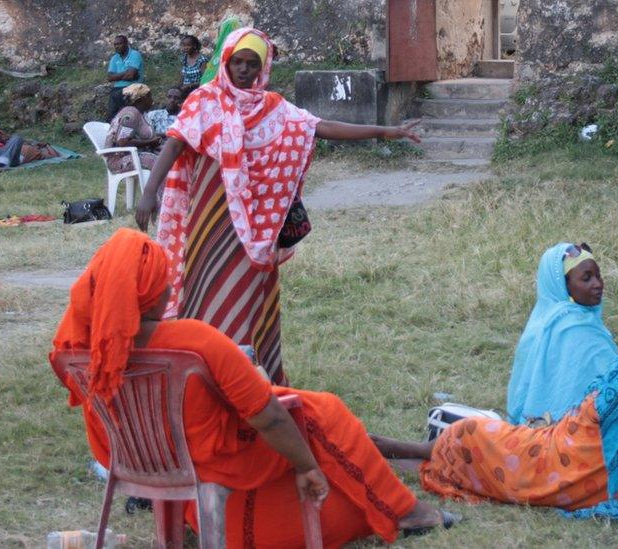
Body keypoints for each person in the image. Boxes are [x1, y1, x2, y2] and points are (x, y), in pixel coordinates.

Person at [49, 228, 457, 548]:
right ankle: (406, 511)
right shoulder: (193, 340)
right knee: (319, 413)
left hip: (135, 459)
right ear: (151, 293)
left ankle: (408, 476)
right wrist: (306, 467)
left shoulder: (75, 349)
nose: (171, 289)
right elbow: (268, 418)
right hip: (216, 458)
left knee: (300, 409)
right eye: (164, 282)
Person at [373, 274, 618, 548]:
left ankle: (400, 449)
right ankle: (405, 450)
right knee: (480, 434)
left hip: (572, 461)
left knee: (473, 434)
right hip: (578, 442)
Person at [134, 28, 420, 385]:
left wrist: (385, 131)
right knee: (204, 283)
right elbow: (175, 144)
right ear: (225, 61)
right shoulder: (204, 100)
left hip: (255, 226)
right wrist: (150, 191)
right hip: (211, 216)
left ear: (262, 67)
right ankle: (202, 372)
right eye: (236, 61)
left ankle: (246, 378)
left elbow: (321, 126)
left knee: (247, 292)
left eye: (251, 63)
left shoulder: (273, 108)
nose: (243, 70)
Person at [506, 242, 618, 425]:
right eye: (586, 278)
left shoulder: (540, 321)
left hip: (533, 435)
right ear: (563, 285)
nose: (597, 284)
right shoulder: (577, 329)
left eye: (598, 276)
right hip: (576, 435)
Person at [105, 83, 161, 174]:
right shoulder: (130, 115)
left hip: (135, 155)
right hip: (119, 160)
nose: (152, 100)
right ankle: (159, 188)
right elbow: (123, 142)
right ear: (142, 99)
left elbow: (140, 136)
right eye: (149, 96)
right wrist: (150, 142)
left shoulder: (141, 114)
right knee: (159, 162)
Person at [106, 35, 144, 120]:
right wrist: (126, 73)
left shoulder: (135, 54)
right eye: (115, 44)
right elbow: (109, 77)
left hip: (133, 86)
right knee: (111, 113)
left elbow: (130, 75)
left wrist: (117, 76)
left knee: (123, 106)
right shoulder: (114, 58)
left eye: (119, 44)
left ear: (126, 44)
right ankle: (111, 126)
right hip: (117, 89)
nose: (117, 46)